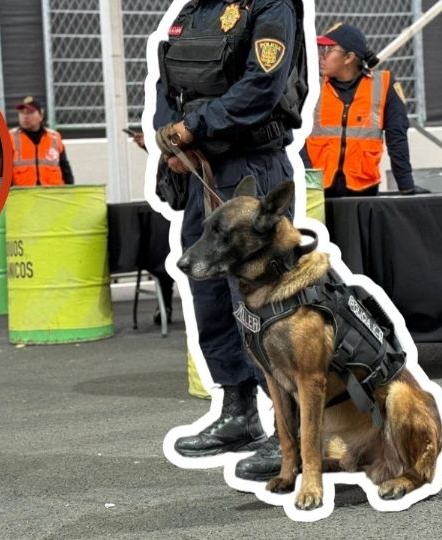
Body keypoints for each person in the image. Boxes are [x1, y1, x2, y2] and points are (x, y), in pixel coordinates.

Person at [151, 0, 307, 479]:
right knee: (211, 292)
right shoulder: (196, 9)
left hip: (251, 170)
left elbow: (262, 85)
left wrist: (194, 127)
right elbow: (167, 84)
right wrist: (171, 138)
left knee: (268, 301)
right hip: (203, 169)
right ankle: (239, 414)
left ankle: (295, 429)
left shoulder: (270, 7)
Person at [305, 23, 428, 197]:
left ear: (348, 57)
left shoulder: (384, 84)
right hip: (316, 190)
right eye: (320, 50)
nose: (320, 57)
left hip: (363, 190)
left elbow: (397, 137)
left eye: (327, 51)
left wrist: (406, 186)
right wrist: (307, 183)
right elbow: (298, 137)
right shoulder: (312, 86)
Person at [9, 96, 75, 186]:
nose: (25, 116)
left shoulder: (54, 137)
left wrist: (71, 190)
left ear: (41, 116)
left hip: (52, 195)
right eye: (22, 113)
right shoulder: (10, 138)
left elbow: (64, 166)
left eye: (30, 112)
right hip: (23, 196)